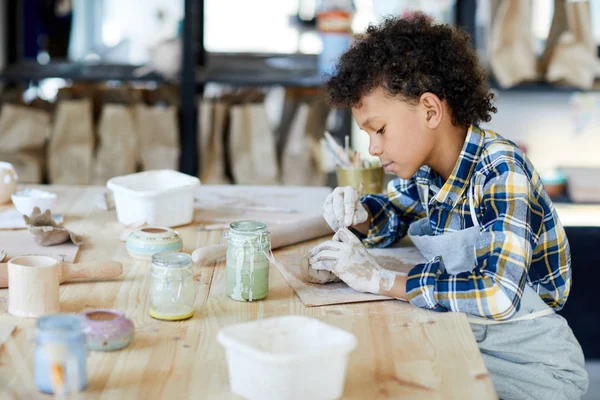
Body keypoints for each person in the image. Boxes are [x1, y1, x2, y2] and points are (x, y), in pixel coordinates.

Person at [309, 13, 588, 400]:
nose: (372, 148)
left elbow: (499, 294)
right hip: (467, 336)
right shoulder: (428, 172)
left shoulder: (501, 171)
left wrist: (384, 282)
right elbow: (391, 215)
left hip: (534, 366)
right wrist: (361, 215)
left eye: (379, 129)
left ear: (429, 111)